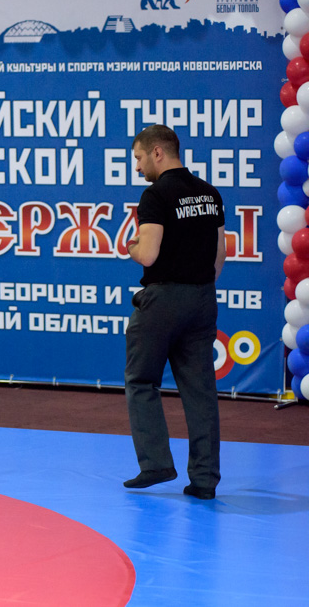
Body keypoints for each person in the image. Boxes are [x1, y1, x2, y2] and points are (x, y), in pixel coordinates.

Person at [123, 124, 226, 500]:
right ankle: (205, 479)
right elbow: (219, 257)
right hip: (202, 298)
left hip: (163, 300)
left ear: (157, 152)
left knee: (141, 380)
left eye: (138, 158)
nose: (137, 167)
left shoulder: (155, 194)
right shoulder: (210, 193)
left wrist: (132, 246)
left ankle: (155, 464)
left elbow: (148, 254)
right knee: (201, 391)